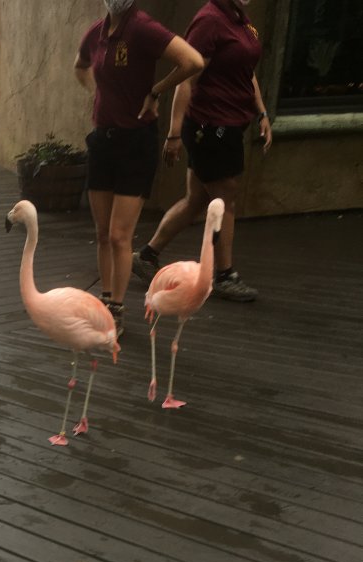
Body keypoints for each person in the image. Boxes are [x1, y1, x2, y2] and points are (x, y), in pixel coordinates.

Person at [74, 1, 203, 337]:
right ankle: (104, 303)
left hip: (136, 144)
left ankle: (116, 309)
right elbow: (80, 65)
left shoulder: (142, 27)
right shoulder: (97, 32)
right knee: (102, 233)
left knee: (119, 235)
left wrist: (156, 92)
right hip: (103, 141)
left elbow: (192, 61)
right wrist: (97, 94)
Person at [132, 0, 272, 301]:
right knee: (225, 200)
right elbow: (186, 79)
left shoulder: (238, 19)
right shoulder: (210, 21)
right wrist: (173, 134)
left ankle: (146, 255)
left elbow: (247, 71)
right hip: (210, 127)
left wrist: (261, 113)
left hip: (231, 123)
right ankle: (224, 275)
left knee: (196, 200)